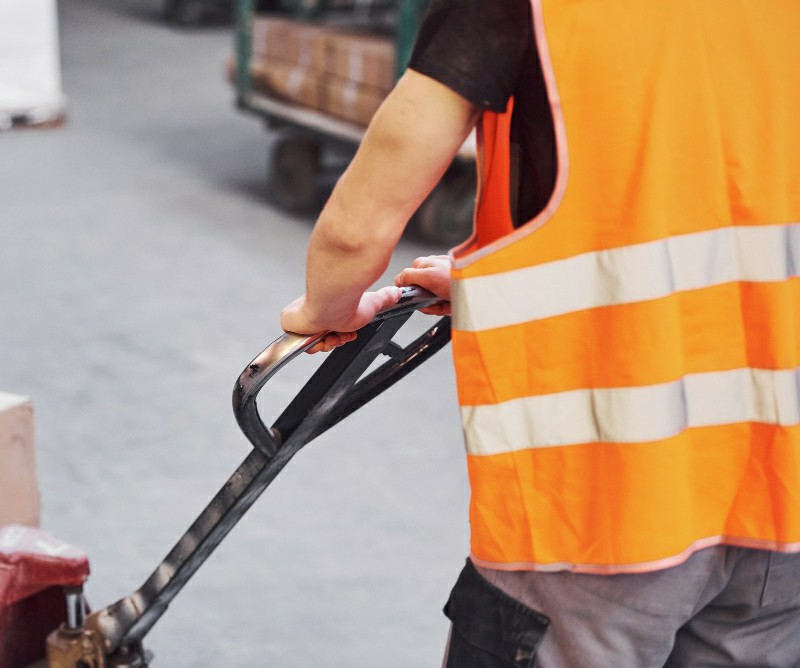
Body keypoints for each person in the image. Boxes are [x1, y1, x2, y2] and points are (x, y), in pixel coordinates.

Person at [279, 0, 800, 665]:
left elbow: (360, 227)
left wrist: (327, 308)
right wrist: (492, 280)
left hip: (599, 515)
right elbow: (718, 200)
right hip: (780, 501)